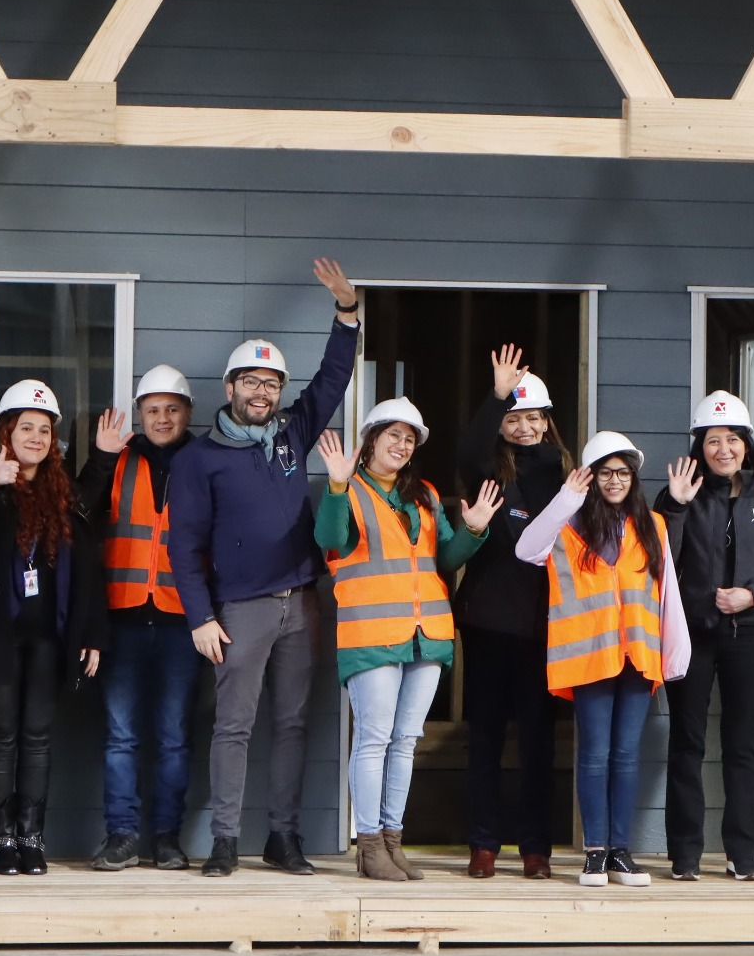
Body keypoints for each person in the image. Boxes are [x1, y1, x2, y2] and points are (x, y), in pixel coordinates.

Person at [168, 257, 363, 878]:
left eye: (271, 383)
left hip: (302, 602)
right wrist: (200, 615)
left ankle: (284, 837)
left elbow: (332, 381)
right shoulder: (200, 459)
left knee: (293, 723)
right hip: (241, 611)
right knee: (233, 727)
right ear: (229, 389)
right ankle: (225, 840)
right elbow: (184, 545)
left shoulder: (290, 434)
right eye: (250, 382)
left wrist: (347, 313)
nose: (262, 392)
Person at [315, 401, 497, 881]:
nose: (401, 445)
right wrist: (336, 485)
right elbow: (328, 537)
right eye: (392, 435)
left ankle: (393, 842)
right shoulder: (348, 490)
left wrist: (474, 528)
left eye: (409, 439)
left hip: (427, 633)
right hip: (372, 634)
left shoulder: (426, 495)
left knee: (406, 741)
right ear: (372, 439)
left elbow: (444, 560)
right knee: (374, 739)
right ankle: (369, 844)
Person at [515, 433, 693, 887]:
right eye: (605, 472)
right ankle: (594, 853)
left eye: (623, 472)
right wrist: (565, 497)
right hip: (591, 657)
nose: (615, 480)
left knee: (626, 756)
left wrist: (675, 652)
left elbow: (667, 589)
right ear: (590, 478)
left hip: (637, 655)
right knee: (594, 756)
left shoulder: (653, 524)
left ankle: (620, 852)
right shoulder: (569, 523)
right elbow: (526, 548)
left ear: (633, 479)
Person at [0, 379, 103, 877]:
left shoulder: (63, 490)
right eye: (26, 427)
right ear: (6, 432)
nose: (36, 437)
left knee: (37, 737)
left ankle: (32, 837)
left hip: (48, 638)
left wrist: (92, 634)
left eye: (44, 429)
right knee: (2, 737)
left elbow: (91, 568)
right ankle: (2, 838)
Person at [656, 391, 754, 883]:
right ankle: (685, 854)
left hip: (751, 633)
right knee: (687, 743)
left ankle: (743, 853)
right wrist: (674, 506)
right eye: (713, 440)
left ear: (747, 444)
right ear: (699, 444)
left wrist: (752, 595)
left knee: (741, 745)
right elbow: (660, 557)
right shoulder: (680, 492)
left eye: (733, 439)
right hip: (692, 635)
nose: (724, 449)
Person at [453, 345, 573, 879]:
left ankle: (536, 847)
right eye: (514, 418)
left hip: (546, 628)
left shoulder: (570, 476)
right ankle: (483, 843)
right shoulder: (490, 473)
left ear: (547, 423)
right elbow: (468, 448)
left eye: (533, 417)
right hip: (488, 625)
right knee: (484, 736)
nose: (524, 427)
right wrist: (496, 393)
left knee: (538, 742)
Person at [80, 365, 201, 871]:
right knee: (121, 735)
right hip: (123, 616)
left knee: (174, 737)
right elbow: (80, 514)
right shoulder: (118, 457)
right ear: (139, 415)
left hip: (183, 619)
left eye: (172, 409)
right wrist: (101, 459)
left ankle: (167, 837)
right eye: (152, 410)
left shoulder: (204, 461)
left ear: (186, 413)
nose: (162, 418)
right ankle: (123, 836)